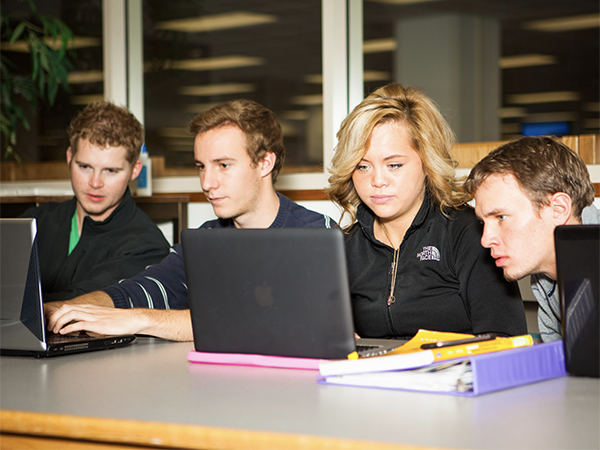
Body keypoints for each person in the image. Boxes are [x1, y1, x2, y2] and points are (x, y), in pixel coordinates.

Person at [45, 99, 333, 341]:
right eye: (201, 167)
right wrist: (59, 310)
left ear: (264, 163)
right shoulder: (204, 240)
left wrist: (137, 321)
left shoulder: (317, 234)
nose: (207, 182)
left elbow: (262, 321)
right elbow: (142, 290)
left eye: (223, 165)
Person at [326, 83, 527, 339]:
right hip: (371, 376)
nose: (377, 180)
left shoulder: (469, 233)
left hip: (457, 374)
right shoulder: (345, 244)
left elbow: (505, 339)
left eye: (394, 165)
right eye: (362, 167)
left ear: (427, 162)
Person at [21, 101, 170, 302]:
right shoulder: (34, 222)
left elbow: (84, 303)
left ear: (135, 170)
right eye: (84, 167)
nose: (95, 182)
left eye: (111, 171)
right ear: (69, 158)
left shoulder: (148, 246)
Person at [463, 136, 600, 342]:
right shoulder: (546, 278)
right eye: (483, 223)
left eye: (501, 217)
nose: (485, 240)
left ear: (558, 209)